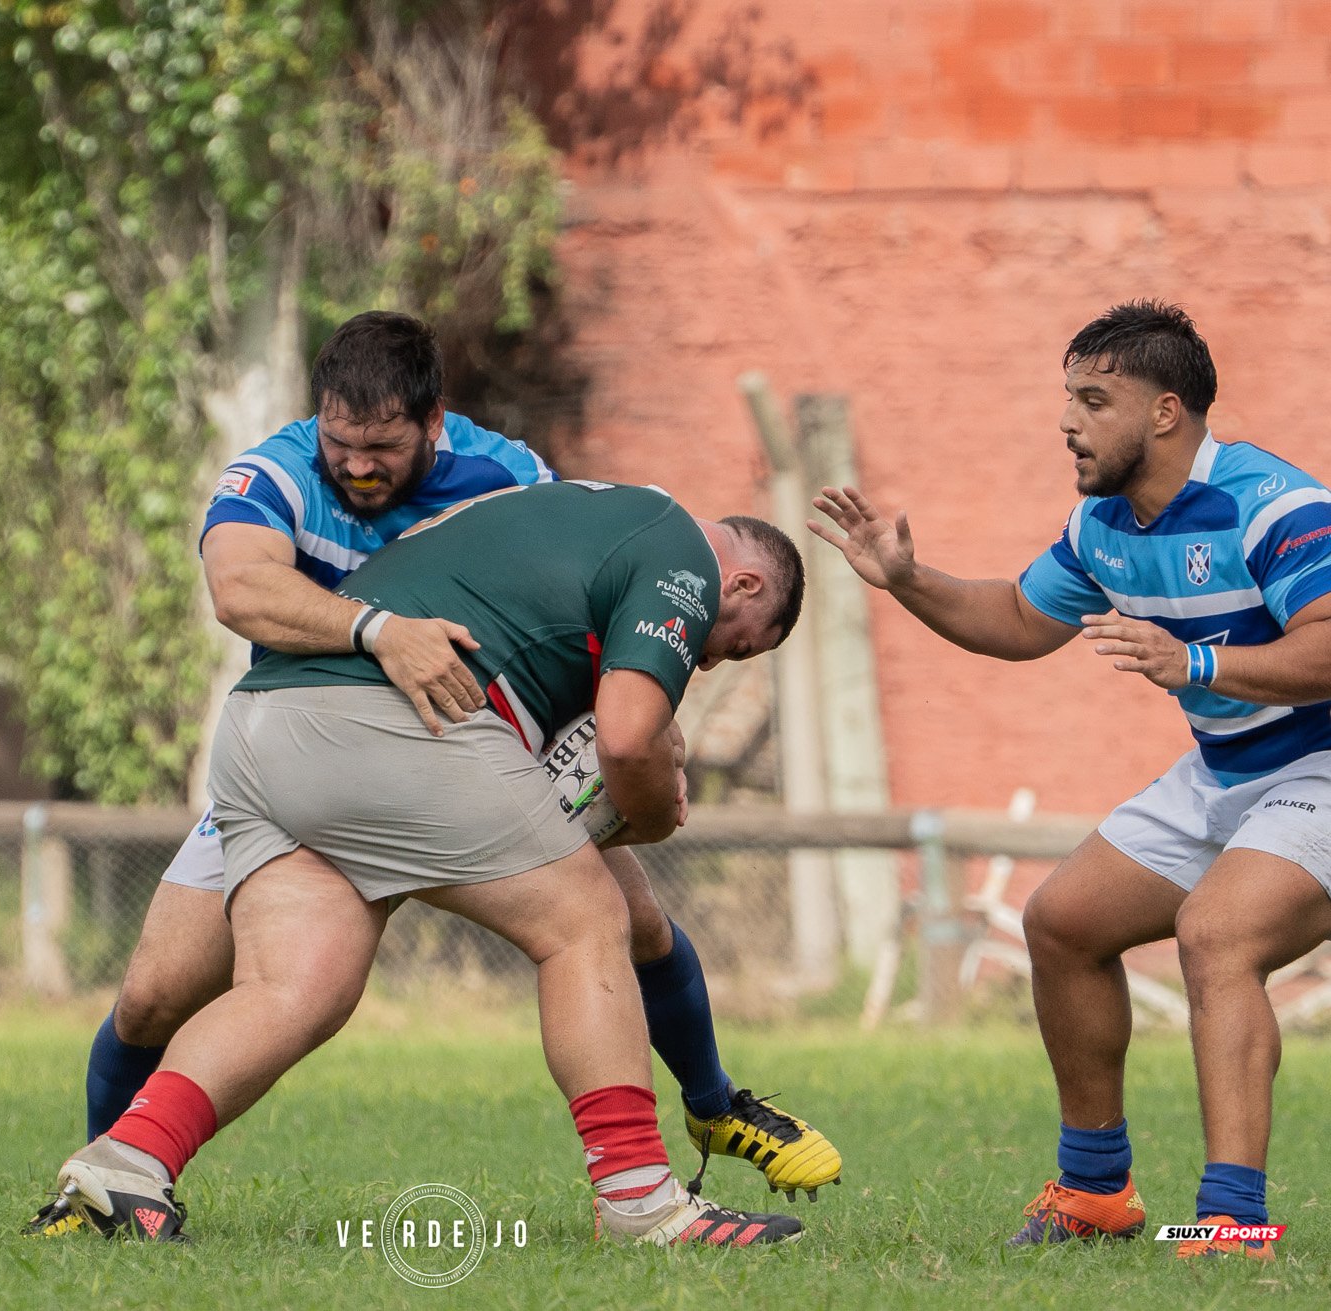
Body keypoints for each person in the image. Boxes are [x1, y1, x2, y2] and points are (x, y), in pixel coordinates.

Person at [75, 311, 840, 1203]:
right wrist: (379, 630)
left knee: (314, 982)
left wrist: (636, 715)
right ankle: (641, 1196)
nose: (359, 465)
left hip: (383, 740)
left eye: (384, 447)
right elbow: (239, 587)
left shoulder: (508, 473)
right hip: (346, 733)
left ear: (434, 422)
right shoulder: (278, 469)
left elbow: (584, 612)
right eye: (341, 443)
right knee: (155, 996)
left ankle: (119, 1173)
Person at [808, 301, 1331, 1262]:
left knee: (1216, 933)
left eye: (1094, 401)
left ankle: (1233, 1222)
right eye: (1068, 399)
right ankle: (1095, 1193)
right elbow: (1017, 619)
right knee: (1062, 923)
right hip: (1228, 767)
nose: (1067, 422)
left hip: (1322, 766)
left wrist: (1197, 663)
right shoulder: (1102, 524)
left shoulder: (1274, 506)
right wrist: (907, 579)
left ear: (1166, 412)